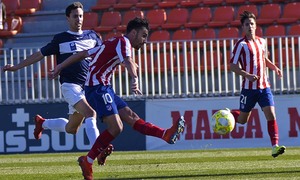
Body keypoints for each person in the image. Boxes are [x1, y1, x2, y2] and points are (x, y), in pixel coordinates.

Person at [51, 17, 185, 180]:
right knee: (116, 127)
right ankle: (88, 160)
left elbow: (84, 53)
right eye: (143, 35)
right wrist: (134, 79)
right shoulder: (123, 43)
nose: (145, 41)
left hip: (103, 88)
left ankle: (164, 134)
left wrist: (60, 66)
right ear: (133, 32)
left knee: (131, 117)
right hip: (96, 88)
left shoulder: (113, 42)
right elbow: (128, 61)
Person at [1, 2, 110, 165]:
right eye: (75, 16)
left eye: (80, 16)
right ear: (68, 18)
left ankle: (42, 123)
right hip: (70, 86)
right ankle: (98, 150)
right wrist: (17, 67)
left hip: (86, 88)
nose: (78, 19)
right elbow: (39, 54)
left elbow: (103, 56)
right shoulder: (61, 39)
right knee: (91, 113)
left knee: (72, 129)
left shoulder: (92, 36)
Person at [229, 11, 286, 158]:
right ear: (243, 27)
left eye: (252, 24)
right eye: (247, 24)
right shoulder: (241, 45)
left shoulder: (262, 41)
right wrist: (247, 75)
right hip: (248, 89)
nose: (250, 26)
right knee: (242, 120)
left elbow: (263, 58)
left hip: (264, 87)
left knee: (271, 114)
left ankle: (275, 146)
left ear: (256, 26)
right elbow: (233, 66)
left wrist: (275, 67)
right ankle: (229, 114)